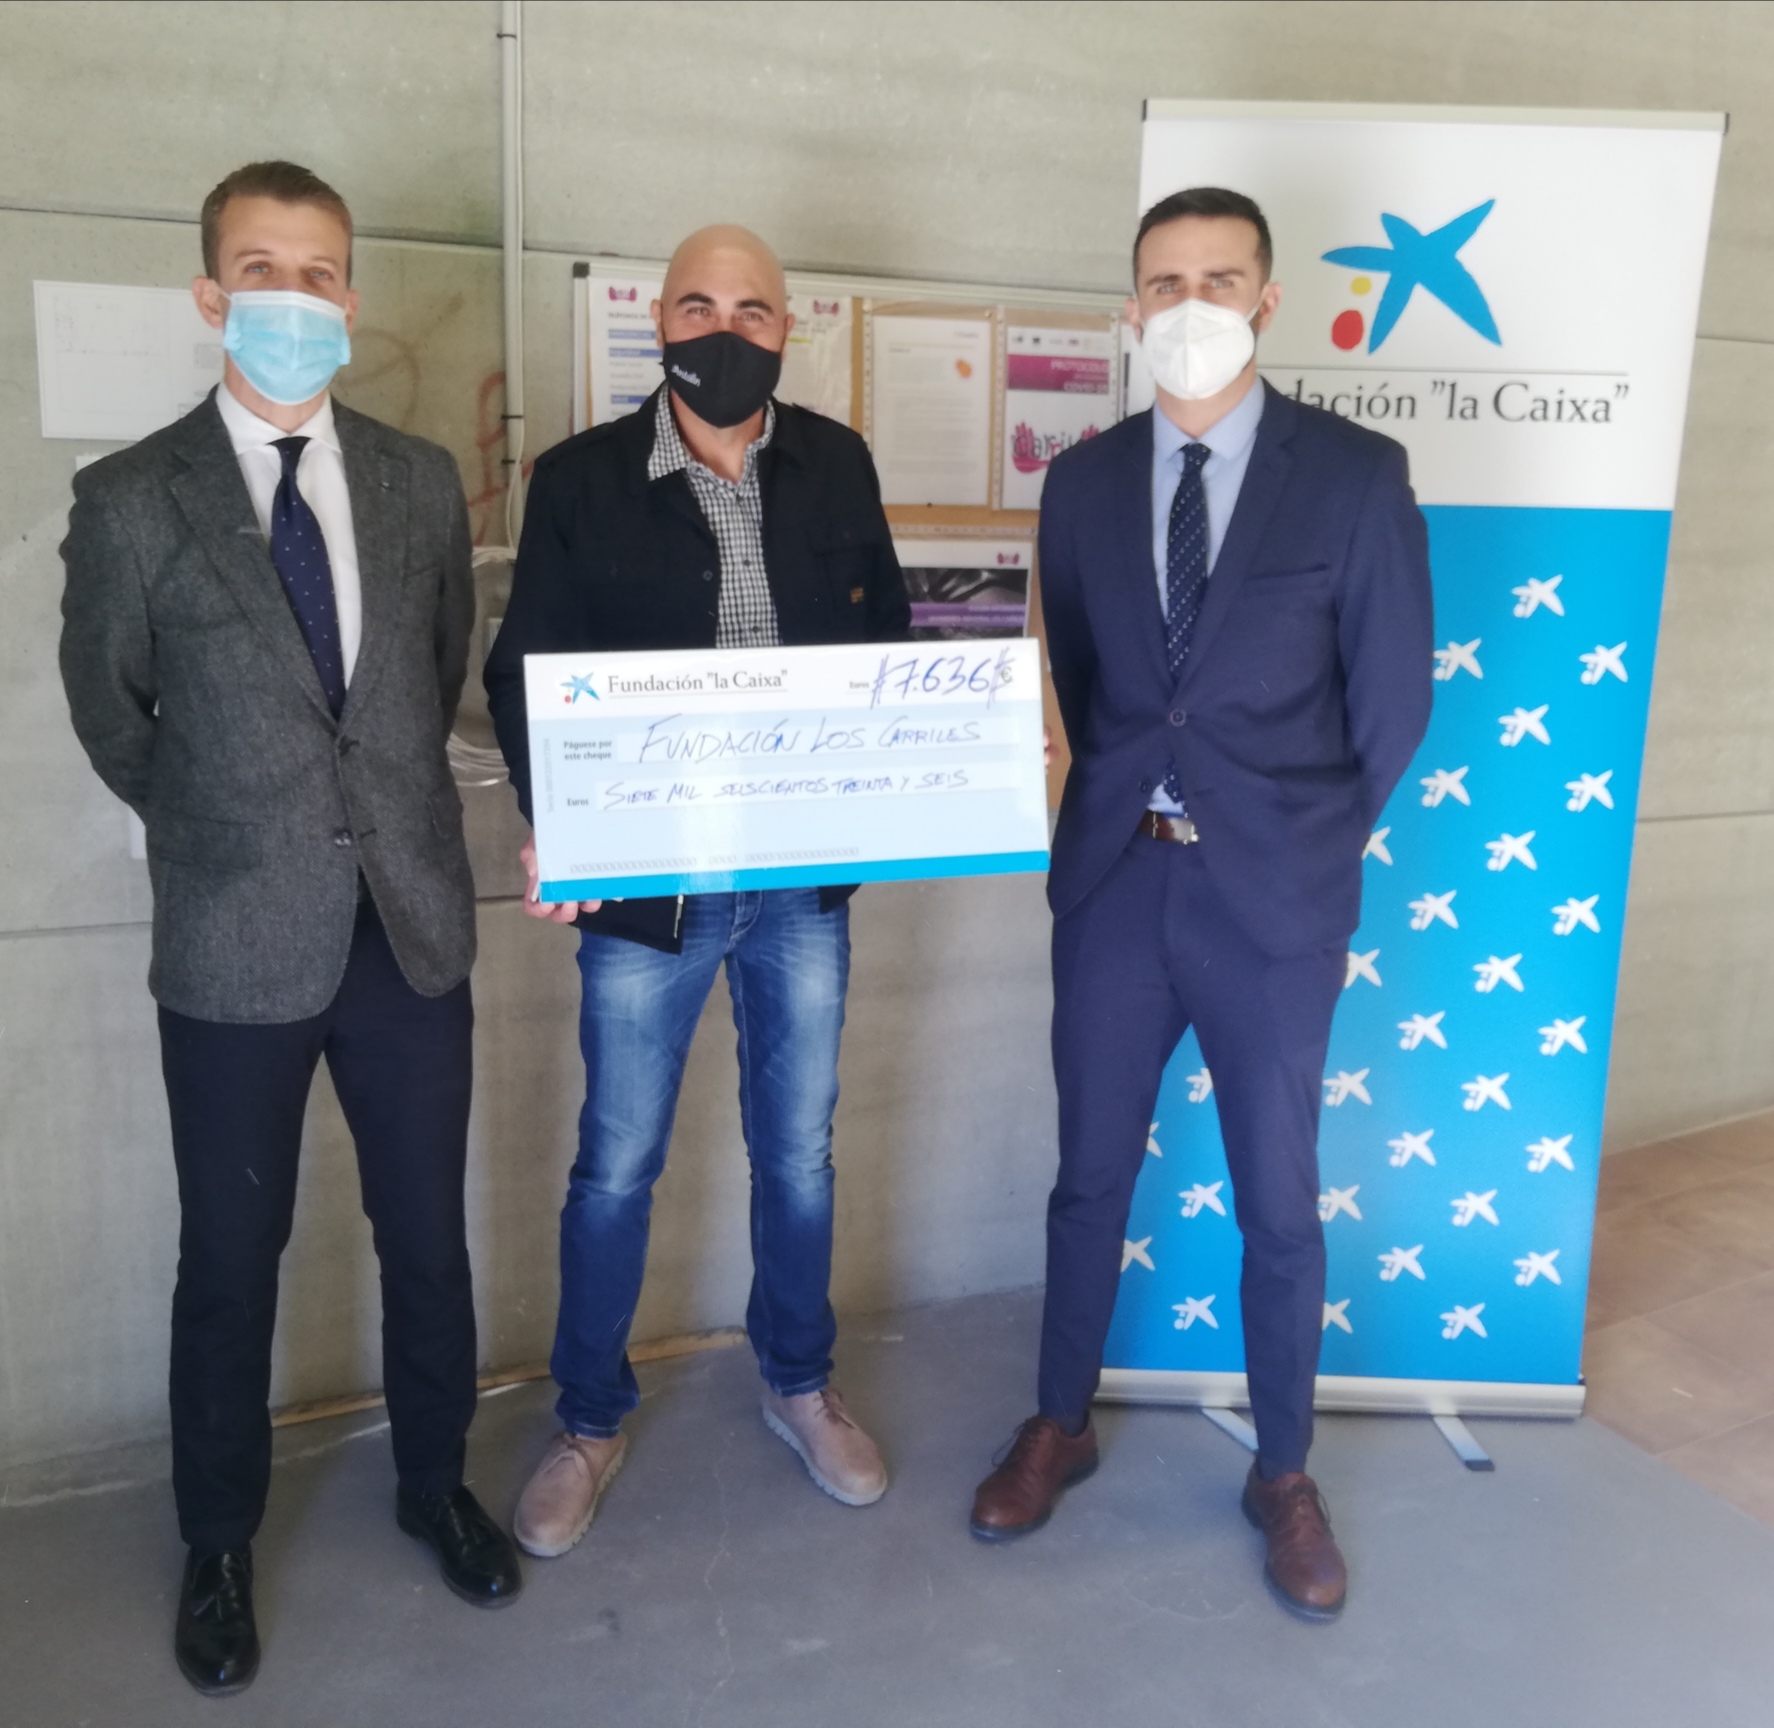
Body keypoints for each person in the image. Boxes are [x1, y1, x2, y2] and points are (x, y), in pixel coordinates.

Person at [59, 160, 521, 1697]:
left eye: (320, 272)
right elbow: (112, 713)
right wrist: (223, 828)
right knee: (229, 1259)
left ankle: (434, 1483)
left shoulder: (412, 479)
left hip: (408, 928)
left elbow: (432, 675)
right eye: (263, 269)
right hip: (234, 938)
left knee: (427, 1240)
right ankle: (216, 1543)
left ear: (350, 296)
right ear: (212, 295)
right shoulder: (134, 499)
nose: (294, 297)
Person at [970, 188, 1433, 1619]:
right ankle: (1059, 1421)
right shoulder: (1083, 481)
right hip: (1119, 882)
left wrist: (1293, 842)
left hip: (1271, 905)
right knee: (1087, 1177)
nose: (1189, 306)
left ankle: (1281, 1471)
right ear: (1131, 307)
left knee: (1278, 1201)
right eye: (1163, 283)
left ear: (1266, 301)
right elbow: (1087, 677)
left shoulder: (1353, 476)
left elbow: (1392, 703)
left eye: (1218, 280)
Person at [483, 225, 910, 1559]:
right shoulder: (579, 480)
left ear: (787, 328)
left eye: (752, 310)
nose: (724, 331)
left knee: (799, 1150)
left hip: (799, 884)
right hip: (644, 889)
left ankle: (798, 1381)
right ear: (657, 322)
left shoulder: (836, 462)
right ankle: (587, 1418)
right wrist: (558, 824)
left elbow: (886, 647)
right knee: (616, 1162)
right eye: (697, 306)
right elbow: (523, 671)